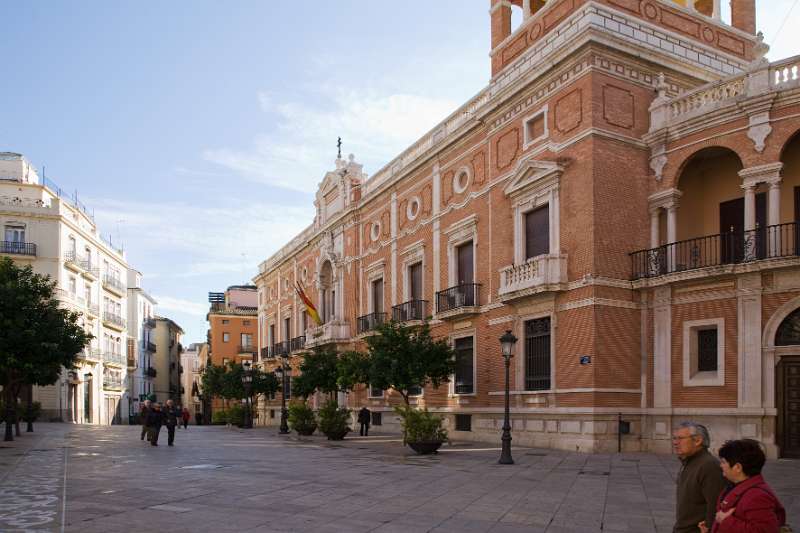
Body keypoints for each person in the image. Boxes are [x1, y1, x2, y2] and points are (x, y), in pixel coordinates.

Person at [699, 439, 787, 533]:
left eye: (724, 462)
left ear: (738, 467)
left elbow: (766, 531)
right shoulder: (735, 485)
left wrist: (725, 521)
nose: (721, 465)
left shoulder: (757, 496)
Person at [673, 422, 726, 533]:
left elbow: (715, 505)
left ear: (697, 441)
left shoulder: (709, 466)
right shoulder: (689, 461)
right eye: (674, 438)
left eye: (680, 438)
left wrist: (708, 528)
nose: (675, 442)